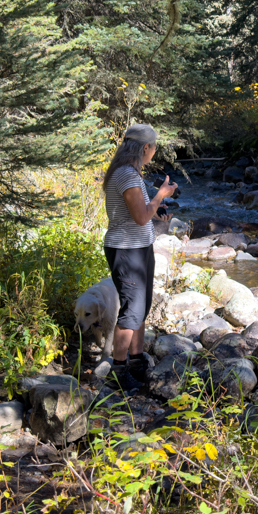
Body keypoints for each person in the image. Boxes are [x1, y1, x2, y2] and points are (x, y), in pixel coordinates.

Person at [102, 124, 176, 392]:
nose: (154, 152)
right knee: (131, 311)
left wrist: (158, 209)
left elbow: (143, 213)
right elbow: (140, 216)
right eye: (154, 148)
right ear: (146, 147)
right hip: (126, 249)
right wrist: (161, 194)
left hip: (139, 246)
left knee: (140, 308)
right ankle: (118, 371)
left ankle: (136, 362)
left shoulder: (129, 173)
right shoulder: (127, 176)